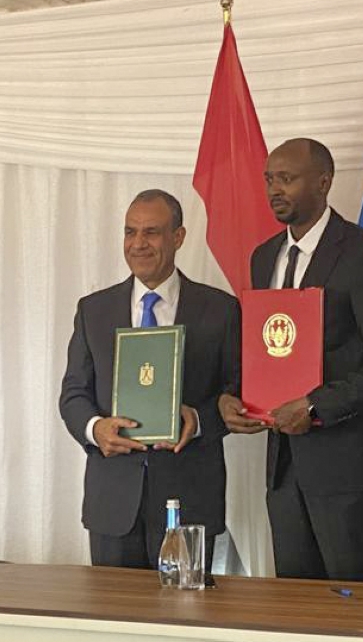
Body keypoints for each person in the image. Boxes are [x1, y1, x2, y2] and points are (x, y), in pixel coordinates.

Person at [219, 138, 363, 582]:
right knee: (296, 611)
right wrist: (234, 396)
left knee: (358, 613)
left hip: (347, 468)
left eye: (286, 179)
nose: (274, 189)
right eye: (270, 179)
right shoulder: (264, 257)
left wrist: (315, 407)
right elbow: (268, 348)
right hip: (283, 469)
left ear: (324, 183)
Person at [59, 189, 240, 569]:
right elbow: (74, 393)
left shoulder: (221, 309)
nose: (138, 244)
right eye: (130, 232)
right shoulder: (94, 310)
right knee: (116, 624)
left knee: (184, 620)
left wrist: (202, 419)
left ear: (178, 237)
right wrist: (96, 429)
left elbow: (238, 391)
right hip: (113, 502)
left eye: (151, 233)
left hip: (190, 498)